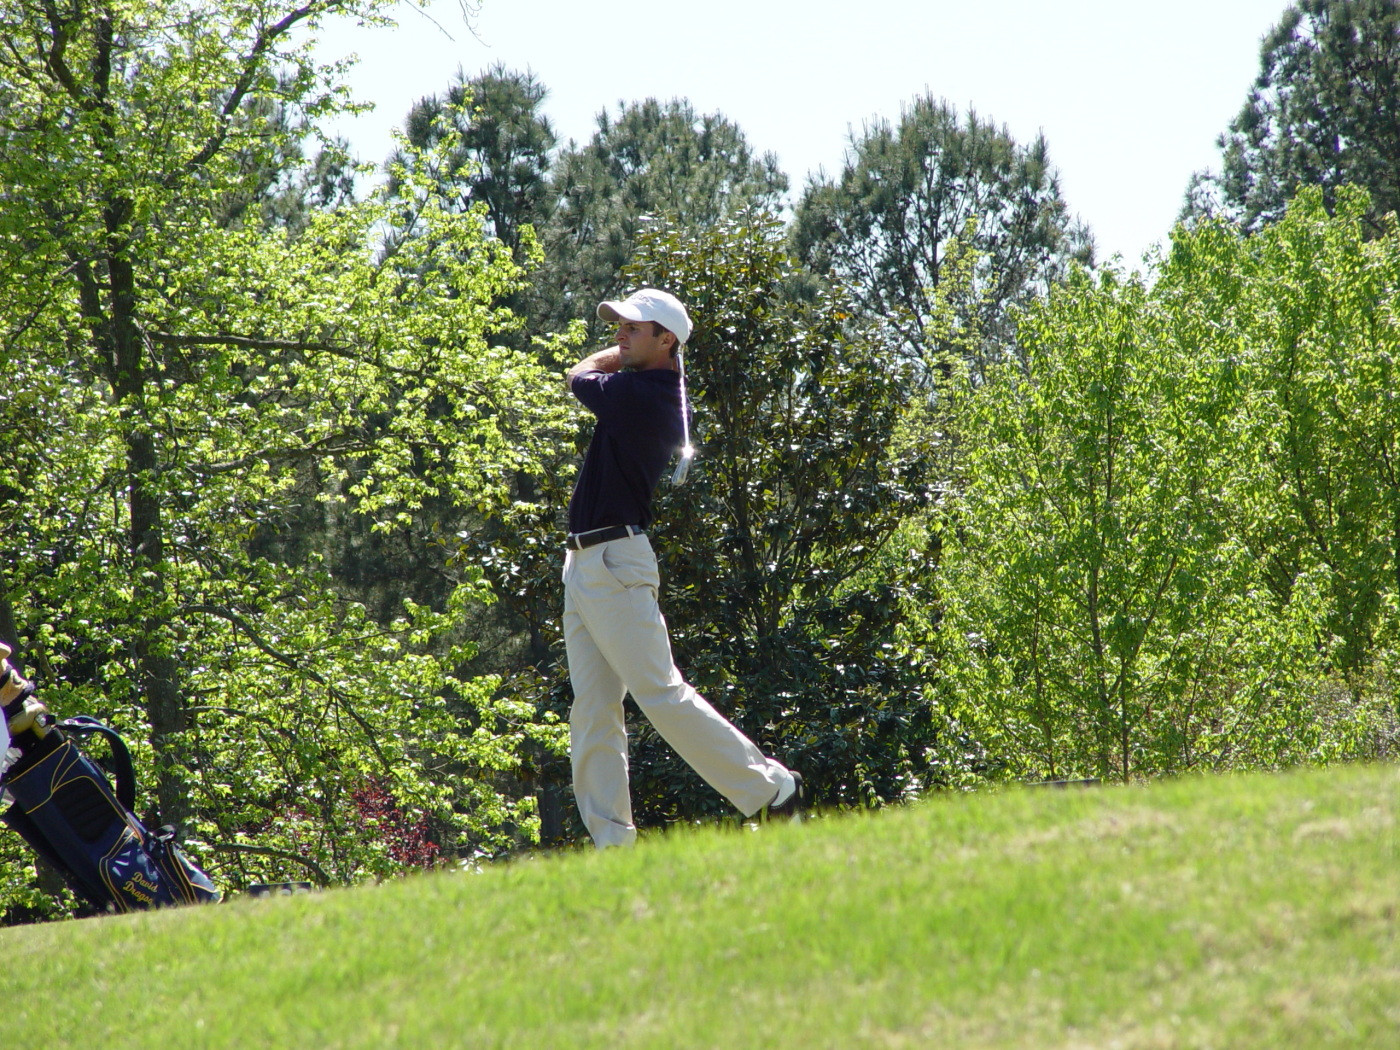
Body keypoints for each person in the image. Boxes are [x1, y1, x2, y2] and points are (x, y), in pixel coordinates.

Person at [562, 287, 802, 847]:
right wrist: (622, 356)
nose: (618, 333)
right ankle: (612, 845)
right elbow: (595, 373)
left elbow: (576, 375)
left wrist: (608, 361)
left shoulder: (648, 396)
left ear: (666, 340)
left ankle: (771, 791)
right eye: (618, 325)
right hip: (586, 563)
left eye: (632, 328)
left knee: (660, 692)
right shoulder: (639, 385)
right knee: (593, 711)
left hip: (615, 563)